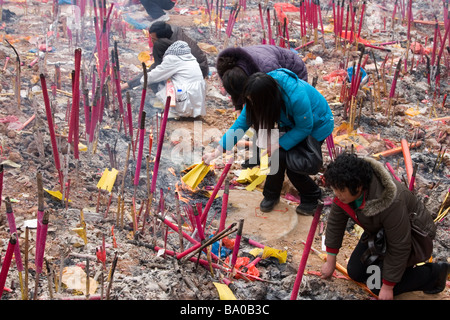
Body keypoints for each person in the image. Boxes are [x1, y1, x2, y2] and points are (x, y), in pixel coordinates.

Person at [202, 69, 334, 215]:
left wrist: (278, 144)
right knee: (278, 156)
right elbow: (240, 125)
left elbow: (305, 127)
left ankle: (312, 196)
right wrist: (216, 152)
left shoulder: (295, 96)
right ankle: (271, 196)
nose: (252, 105)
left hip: (317, 123)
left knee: (293, 163)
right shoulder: (257, 93)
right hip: (292, 123)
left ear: (268, 100)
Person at [321, 153, 449, 300]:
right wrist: (331, 260)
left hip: (414, 235)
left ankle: (434, 274)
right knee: (355, 272)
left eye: (341, 190)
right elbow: (335, 223)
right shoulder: (345, 190)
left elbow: (400, 245)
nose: (337, 194)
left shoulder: (390, 200)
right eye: (335, 189)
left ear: (358, 185)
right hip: (378, 230)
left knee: (377, 286)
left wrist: (388, 286)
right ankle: (385, 269)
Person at [216, 45, 308, 112]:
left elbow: (271, 100)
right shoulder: (231, 70)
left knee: (289, 110)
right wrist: (239, 108)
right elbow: (236, 90)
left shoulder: (268, 72)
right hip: (267, 62)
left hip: (293, 66)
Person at [122, 21, 209, 91]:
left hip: (195, 77)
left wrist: (128, 84)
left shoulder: (174, 51)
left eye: (154, 39)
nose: (152, 42)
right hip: (200, 67)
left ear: (163, 39)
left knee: (154, 82)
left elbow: (155, 70)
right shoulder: (172, 31)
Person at [141, 39, 206, 118]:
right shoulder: (189, 57)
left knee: (158, 82)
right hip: (196, 98)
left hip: (184, 94)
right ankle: (187, 111)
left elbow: (154, 76)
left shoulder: (172, 59)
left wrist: (142, 80)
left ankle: (174, 112)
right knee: (170, 80)